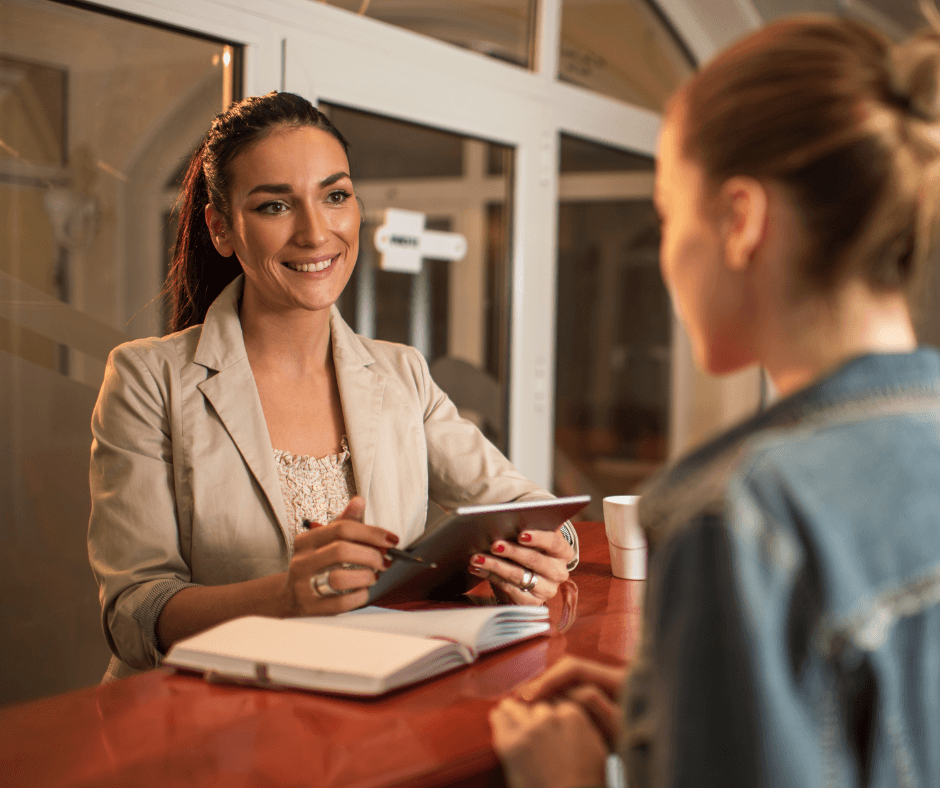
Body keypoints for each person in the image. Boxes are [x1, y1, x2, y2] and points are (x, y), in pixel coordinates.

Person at [491, 14, 940, 788]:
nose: (666, 257)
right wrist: (681, 717)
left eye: (668, 216)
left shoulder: (742, 514)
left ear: (739, 222)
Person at [87, 91, 577, 682]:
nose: (316, 232)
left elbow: (529, 508)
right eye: (274, 206)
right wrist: (286, 597)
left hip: (369, 709)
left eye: (336, 196)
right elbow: (133, 615)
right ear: (221, 228)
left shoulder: (402, 374)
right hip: (207, 732)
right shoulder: (148, 379)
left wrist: (545, 552)